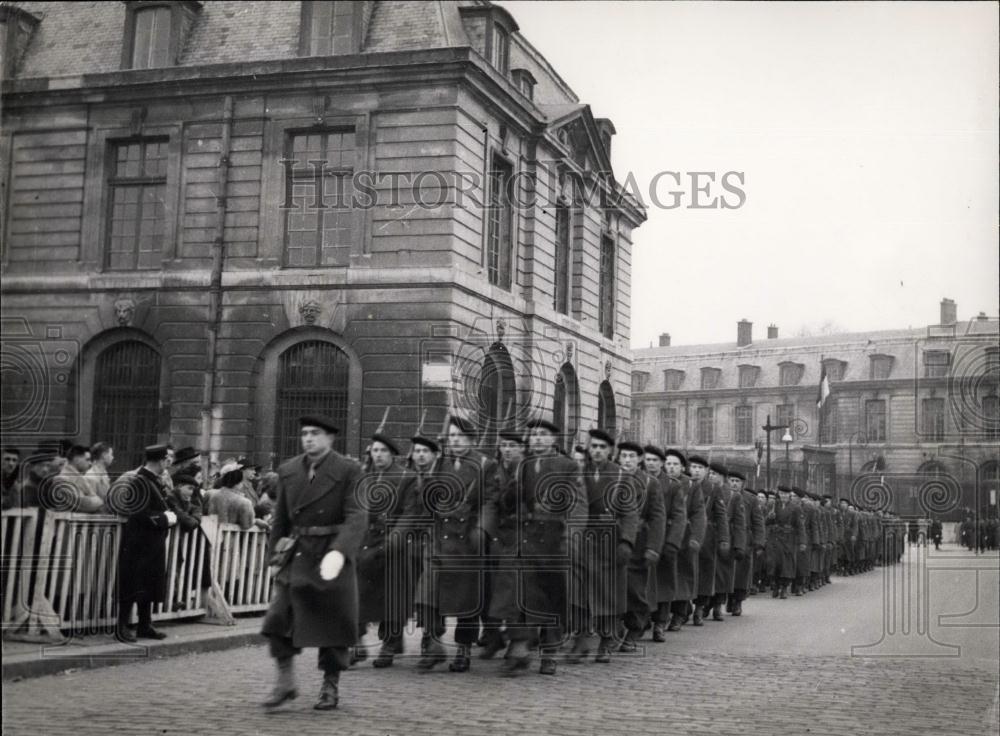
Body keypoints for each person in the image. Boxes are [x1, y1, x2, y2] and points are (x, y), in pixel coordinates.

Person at [261, 415, 367, 711]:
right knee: (278, 617)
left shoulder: (349, 470)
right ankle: (285, 682)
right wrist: (274, 557)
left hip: (331, 554)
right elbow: (281, 520)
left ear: (330, 438)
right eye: (305, 433)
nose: (308, 438)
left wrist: (339, 552)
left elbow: (357, 515)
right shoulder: (289, 470)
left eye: (315, 433)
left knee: (334, 624)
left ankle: (330, 685)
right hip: (297, 554)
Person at [484, 418, 585, 676]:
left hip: (554, 538)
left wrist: (571, 537)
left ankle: (549, 652)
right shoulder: (524, 465)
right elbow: (509, 503)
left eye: (543, 434)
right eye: (534, 435)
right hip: (526, 536)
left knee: (552, 596)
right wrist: (512, 491)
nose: (537, 438)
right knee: (517, 590)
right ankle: (519, 647)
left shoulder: (568, 466)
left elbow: (578, 505)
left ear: (553, 439)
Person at [413, 415, 493, 673]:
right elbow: (426, 500)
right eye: (452, 436)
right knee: (427, 593)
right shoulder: (439, 464)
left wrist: (481, 528)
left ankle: (463, 649)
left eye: (460, 436)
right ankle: (433, 642)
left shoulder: (484, 464)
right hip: (440, 537)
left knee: (466, 600)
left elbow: (490, 501)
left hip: (468, 540)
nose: (455, 441)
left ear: (471, 439)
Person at [566, 428, 639, 664]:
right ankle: (580, 640)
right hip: (582, 538)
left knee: (608, 593)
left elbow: (630, 513)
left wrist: (626, 541)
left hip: (609, 542)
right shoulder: (578, 473)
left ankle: (607, 639)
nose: (597, 451)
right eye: (594, 446)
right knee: (579, 593)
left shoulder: (621, 476)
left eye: (602, 447)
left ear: (610, 450)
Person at [109, 444, 178, 642]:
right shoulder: (140, 481)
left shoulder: (152, 480)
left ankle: (144, 624)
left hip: (151, 541)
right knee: (132, 583)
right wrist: (164, 519)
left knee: (148, 583)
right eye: (167, 459)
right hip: (138, 541)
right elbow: (139, 512)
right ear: (161, 460)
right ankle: (121, 627)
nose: (169, 463)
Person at [354, 432, 411, 667]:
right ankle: (357, 642)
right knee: (358, 593)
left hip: (393, 544)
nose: (378, 455)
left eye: (383, 451)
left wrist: (394, 540)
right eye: (375, 450)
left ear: (392, 454)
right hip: (367, 543)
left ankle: (390, 644)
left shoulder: (405, 477)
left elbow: (409, 514)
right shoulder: (365, 478)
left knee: (392, 597)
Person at [617, 440, 666, 651]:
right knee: (612, 587)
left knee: (635, 589)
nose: (627, 460)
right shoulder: (612, 478)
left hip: (639, 543)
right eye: (623, 456)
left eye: (631, 457)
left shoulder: (650, 483)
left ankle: (634, 629)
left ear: (639, 460)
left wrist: (653, 547)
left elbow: (658, 517)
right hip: (613, 542)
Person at [643, 445, 686, 641]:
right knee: (642, 582)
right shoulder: (637, 480)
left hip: (666, 538)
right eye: (647, 459)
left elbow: (679, 516)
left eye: (655, 460)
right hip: (643, 538)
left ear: (661, 463)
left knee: (664, 583)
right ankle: (641, 619)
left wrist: (673, 542)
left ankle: (660, 623)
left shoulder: (673, 486)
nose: (651, 463)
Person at [668, 450, 705, 631]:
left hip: (684, 536)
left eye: (675, 464)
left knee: (682, 576)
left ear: (683, 467)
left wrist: (696, 538)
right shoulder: (658, 482)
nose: (671, 467)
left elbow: (699, 514)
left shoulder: (691, 486)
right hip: (663, 535)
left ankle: (679, 614)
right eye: (668, 463)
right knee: (664, 577)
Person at [693, 459, 729, 623]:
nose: (696, 470)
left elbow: (721, 516)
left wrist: (723, 539)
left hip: (707, 536)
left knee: (706, 572)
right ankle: (681, 608)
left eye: (699, 467)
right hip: (686, 533)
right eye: (693, 467)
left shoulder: (714, 490)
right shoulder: (685, 485)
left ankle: (700, 608)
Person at [206, 463, 256, 530]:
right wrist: (257, 521)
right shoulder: (244, 502)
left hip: (211, 533)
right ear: (239, 483)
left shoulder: (212, 495)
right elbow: (246, 525)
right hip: (231, 535)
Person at [57, 445, 104, 513]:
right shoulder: (62, 479)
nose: (90, 463)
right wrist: (99, 501)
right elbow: (83, 503)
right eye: (87, 459)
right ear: (77, 460)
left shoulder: (80, 478)